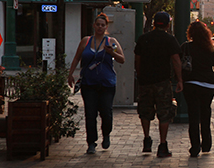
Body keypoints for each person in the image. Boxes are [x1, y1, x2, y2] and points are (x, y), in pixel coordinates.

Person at [68, 13, 125, 154]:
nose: (100, 27)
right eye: (98, 24)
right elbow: (76, 58)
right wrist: (70, 74)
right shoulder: (86, 41)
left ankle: (106, 134)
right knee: (90, 113)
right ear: (94, 25)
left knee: (106, 112)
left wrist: (112, 53)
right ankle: (91, 142)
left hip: (107, 84)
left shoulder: (111, 41)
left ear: (106, 27)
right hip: (89, 83)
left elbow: (122, 59)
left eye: (103, 25)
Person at [134, 11, 183, 157]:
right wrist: (179, 79)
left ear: (154, 23)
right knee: (164, 113)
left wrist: (140, 75)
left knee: (145, 111)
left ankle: (147, 139)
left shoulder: (143, 39)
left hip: (145, 82)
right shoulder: (170, 39)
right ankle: (162, 145)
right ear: (168, 24)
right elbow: (176, 60)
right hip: (162, 82)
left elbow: (138, 60)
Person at [181, 21, 214, 157]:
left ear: (190, 33)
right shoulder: (211, 48)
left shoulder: (186, 47)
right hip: (208, 85)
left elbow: (179, 65)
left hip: (191, 84)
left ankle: (195, 147)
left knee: (193, 116)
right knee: (206, 113)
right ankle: (206, 144)